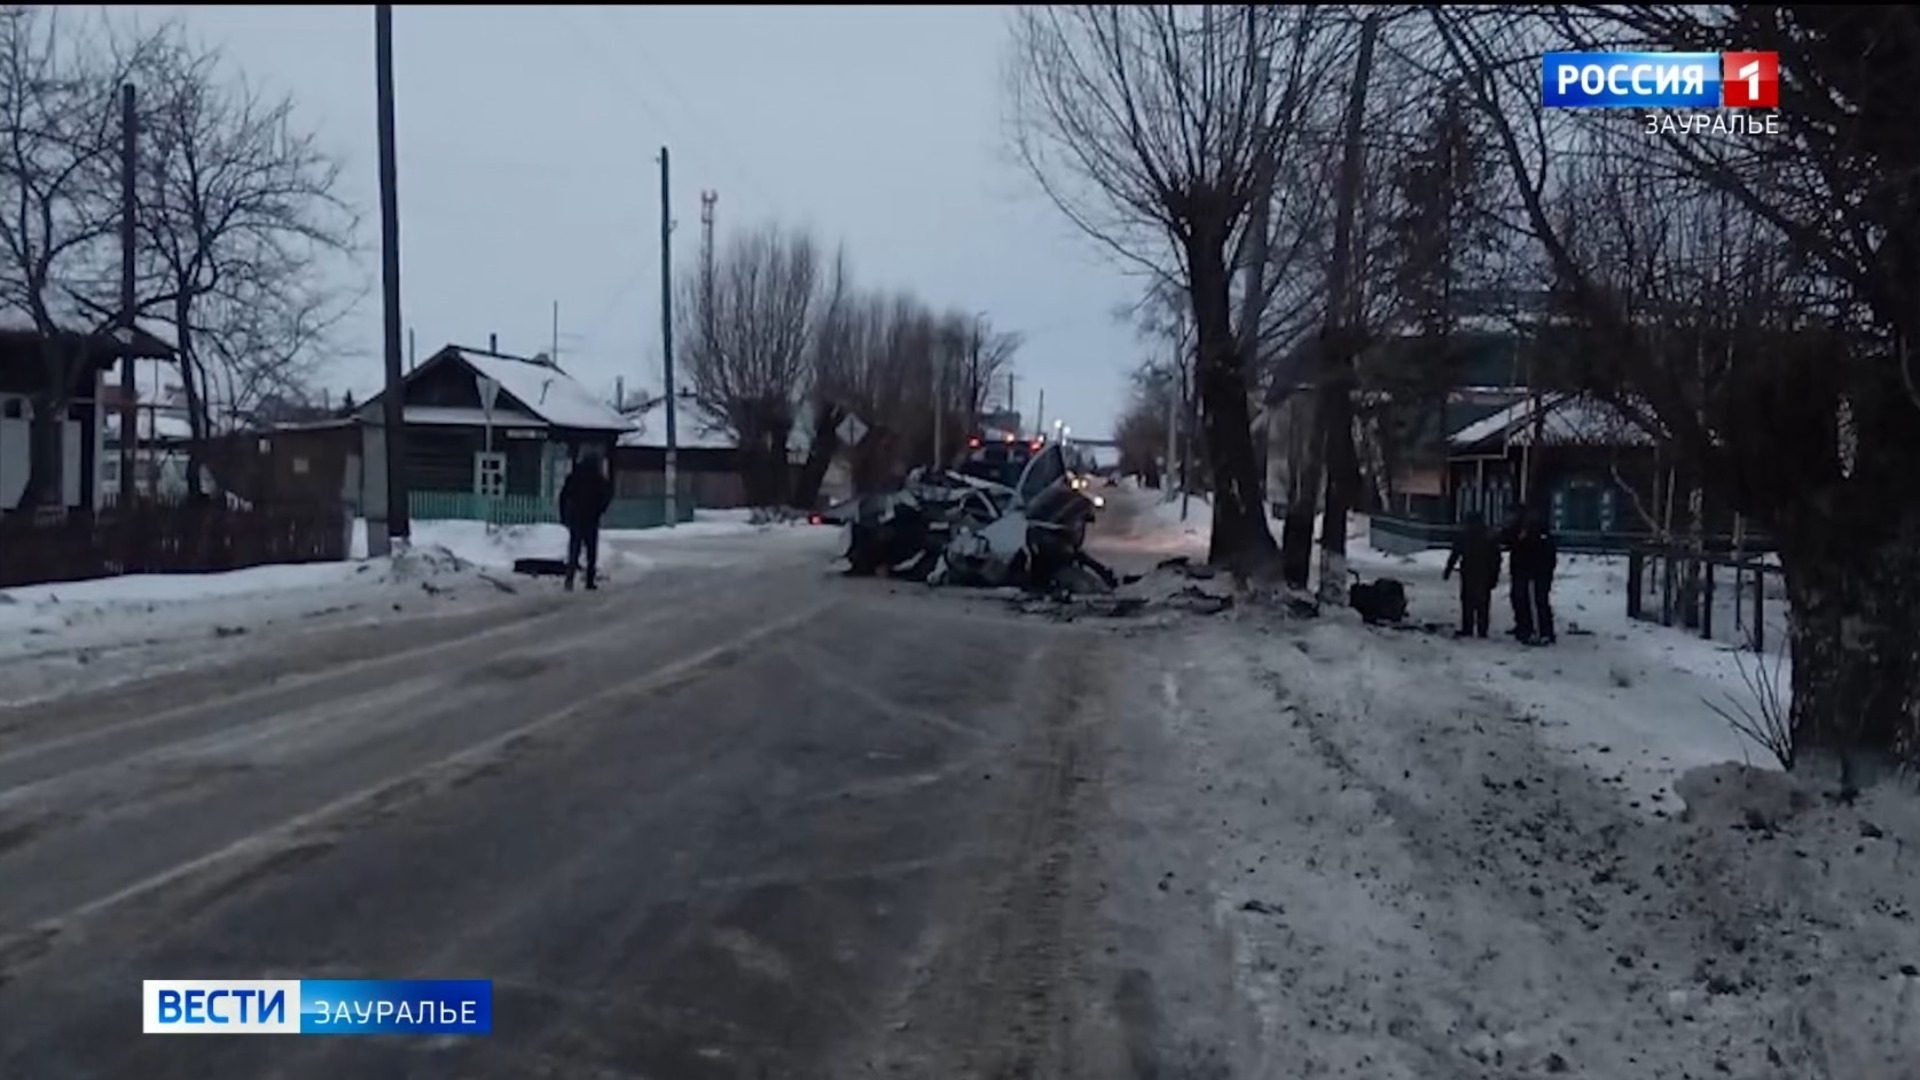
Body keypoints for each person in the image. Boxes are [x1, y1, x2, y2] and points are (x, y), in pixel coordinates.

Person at [558, 449, 613, 591]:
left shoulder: (574, 477)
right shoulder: (598, 478)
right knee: (591, 551)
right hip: (591, 518)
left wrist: (564, 515)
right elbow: (606, 496)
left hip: (576, 517)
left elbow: (564, 496)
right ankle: (589, 580)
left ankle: (569, 579)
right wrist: (599, 510)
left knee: (574, 549)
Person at [1442, 510, 1500, 638]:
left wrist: (1448, 570)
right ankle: (1482, 629)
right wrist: (1495, 575)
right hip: (1484, 571)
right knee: (1483, 602)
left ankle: (1467, 628)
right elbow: (1496, 558)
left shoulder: (1464, 535)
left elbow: (1455, 553)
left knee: (1467, 600)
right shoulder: (1489, 536)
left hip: (1469, 570)